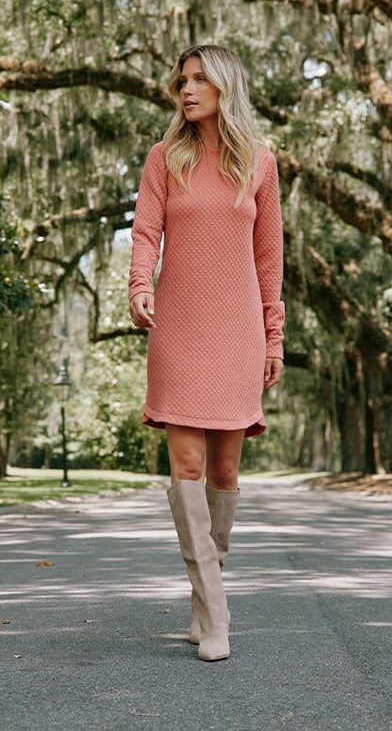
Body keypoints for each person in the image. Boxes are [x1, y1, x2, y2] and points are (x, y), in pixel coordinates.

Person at [128, 45, 285, 662]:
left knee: (224, 473)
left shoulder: (260, 165)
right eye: (181, 80)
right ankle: (217, 615)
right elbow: (145, 232)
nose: (186, 89)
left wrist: (275, 335)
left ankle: (201, 596)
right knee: (187, 469)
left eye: (198, 79)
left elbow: (269, 260)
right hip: (180, 328)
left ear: (225, 87)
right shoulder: (164, 160)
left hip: (238, 330)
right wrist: (140, 285)